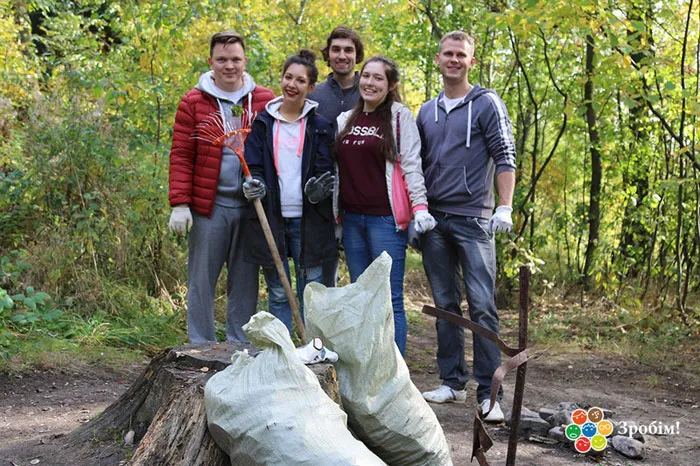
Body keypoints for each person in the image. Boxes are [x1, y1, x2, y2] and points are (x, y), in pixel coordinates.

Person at [416, 31, 516, 423]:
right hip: (435, 220)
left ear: (471, 62)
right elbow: (416, 164)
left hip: (475, 218)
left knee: (482, 306)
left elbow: (505, 156)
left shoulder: (487, 103)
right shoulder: (426, 110)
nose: (454, 60)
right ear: (438, 59)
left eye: (461, 55)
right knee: (444, 304)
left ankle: (489, 394)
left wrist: (504, 206)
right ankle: (451, 382)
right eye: (448, 54)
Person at [168, 31, 275, 344]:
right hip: (209, 206)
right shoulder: (193, 102)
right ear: (210, 62)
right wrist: (180, 203)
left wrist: (265, 188)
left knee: (244, 282)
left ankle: (238, 347)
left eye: (235, 59)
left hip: (250, 207)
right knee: (202, 279)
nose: (229, 65)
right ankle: (200, 346)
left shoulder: (265, 100)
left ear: (245, 61)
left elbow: (274, 152)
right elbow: (182, 155)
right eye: (222, 59)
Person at [335, 55, 436, 356]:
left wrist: (420, 209)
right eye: (366, 76)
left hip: (385, 223)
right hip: (352, 222)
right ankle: (368, 369)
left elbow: (412, 166)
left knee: (390, 301)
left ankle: (395, 377)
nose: (370, 82)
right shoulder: (345, 120)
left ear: (391, 85)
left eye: (378, 78)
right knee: (361, 298)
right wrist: (336, 218)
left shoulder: (398, 117)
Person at [242, 50, 337, 335]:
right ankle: (283, 356)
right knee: (279, 293)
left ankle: (313, 353)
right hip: (273, 220)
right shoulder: (262, 123)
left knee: (311, 294)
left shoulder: (321, 127)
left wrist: (319, 189)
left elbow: (325, 167)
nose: (292, 85)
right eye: (288, 77)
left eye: (300, 80)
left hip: (310, 222)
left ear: (311, 88)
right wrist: (252, 183)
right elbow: (253, 166)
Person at [308, 25, 365, 287]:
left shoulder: (371, 90)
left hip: (362, 192)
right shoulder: (315, 94)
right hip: (321, 193)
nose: (342, 55)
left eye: (348, 50)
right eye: (336, 49)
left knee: (364, 272)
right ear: (328, 54)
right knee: (323, 271)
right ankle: (322, 328)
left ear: (357, 55)